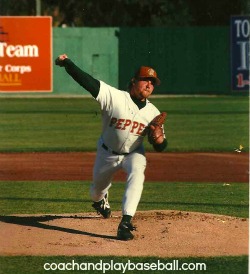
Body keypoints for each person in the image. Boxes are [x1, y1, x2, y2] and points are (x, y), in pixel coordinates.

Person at [55, 54, 167, 240]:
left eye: (152, 82)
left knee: (137, 174)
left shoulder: (153, 113)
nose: (149, 85)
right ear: (133, 81)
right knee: (96, 191)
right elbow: (87, 81)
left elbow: (161, 147)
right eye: (145, 80)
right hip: (106, 153)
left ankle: (125, 222)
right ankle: (101, 201)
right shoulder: (115, 97)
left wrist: (159, 141)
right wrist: (67, 63)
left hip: (133, 153)